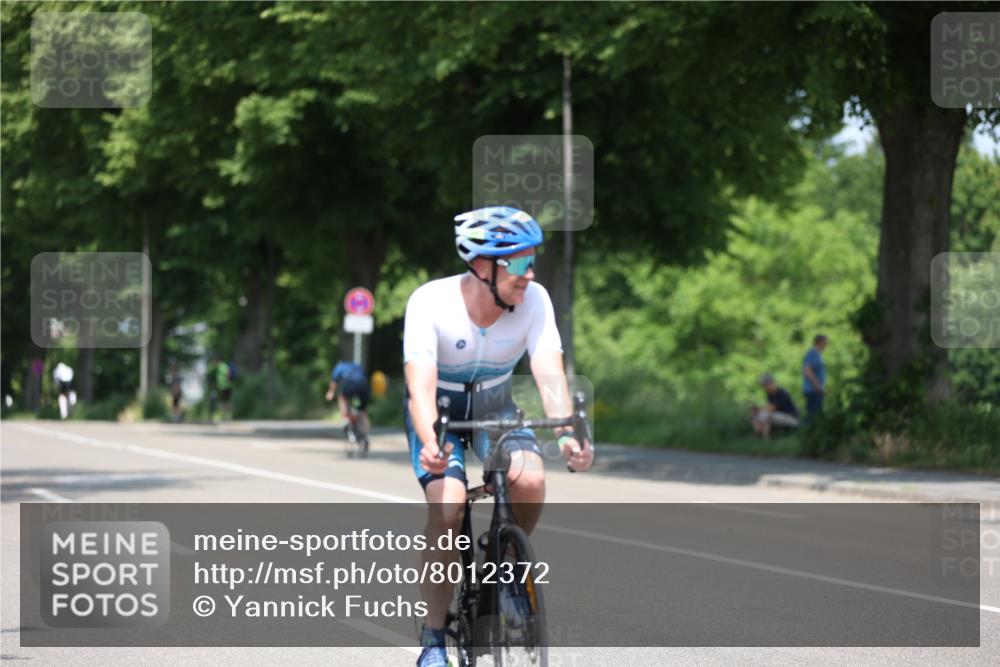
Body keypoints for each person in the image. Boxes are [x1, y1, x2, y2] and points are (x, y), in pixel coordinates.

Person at [403, 206, 593, 667]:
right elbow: (420, 387)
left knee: (531, 480)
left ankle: (503, 566)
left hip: (495, 405)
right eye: (521, 264)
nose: (530, 275)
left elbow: (548, 370)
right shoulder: (430, 302)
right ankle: (433, 638)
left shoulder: (535, 301)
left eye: (534, 262)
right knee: (447, 506)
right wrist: (431, 442)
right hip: (440, 410)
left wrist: (567, 432)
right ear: (483, 267)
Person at [325, 360, 370, 438]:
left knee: (342, 398)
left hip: (350, 385)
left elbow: (334, 382)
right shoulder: (356, 366)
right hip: (363, 386)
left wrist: (331, 392)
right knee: (363, 412)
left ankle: (345, 418)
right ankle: (366, 436)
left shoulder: (339, 367)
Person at [751, 373, 799, 438]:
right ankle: (759, 434)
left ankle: (765, 437)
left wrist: (759, 409)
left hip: (792, 419)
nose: (764, 388)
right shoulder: (770, 394)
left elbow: (771, 409)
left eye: (764, 385)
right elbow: (768, 407)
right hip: (780, 416)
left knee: (766, 415)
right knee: (756, 416)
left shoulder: (781, 393)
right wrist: (757, 410)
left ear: (770, 383)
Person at [802, 334, 828, 421]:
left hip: (815, 389)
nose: (826, 345)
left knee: (816, 415)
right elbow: (807, 370)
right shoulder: (813, 353)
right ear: (820, 342)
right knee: (813, 415)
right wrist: (818, 386)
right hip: (813, 390)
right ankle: (807, 432)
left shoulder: (817, 354)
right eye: (825, 343)